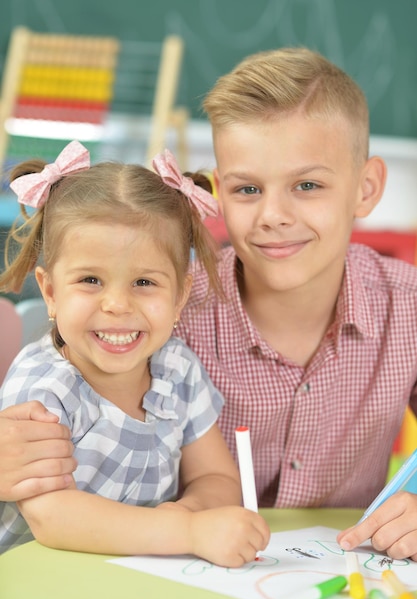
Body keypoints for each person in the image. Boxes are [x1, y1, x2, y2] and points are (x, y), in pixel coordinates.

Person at [2, 47, 417, 561]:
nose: (273, 215)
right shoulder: (155, 307)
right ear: (220, 193)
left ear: (366, 186)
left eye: (308, 185)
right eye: (247, 189)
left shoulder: (408, 307)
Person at [0, 140, 269, 564]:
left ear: (180, 296)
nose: (117, 305)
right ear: (50, 292)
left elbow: (215, 475)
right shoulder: (44, 388)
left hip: (136, 580)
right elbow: (53, 517)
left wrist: (190, 513)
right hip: (34, 584)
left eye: (144, 283)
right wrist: (186, 531)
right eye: (90, 280)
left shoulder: (177, 368)